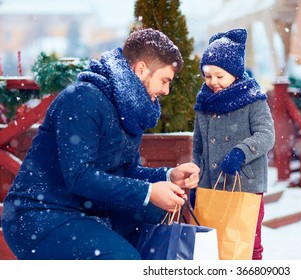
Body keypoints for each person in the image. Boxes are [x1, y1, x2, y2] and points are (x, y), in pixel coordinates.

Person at [1, 28, 200, 260]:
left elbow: (127, 171)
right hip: (40, 214)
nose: (166, 90)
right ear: (141, 69)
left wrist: (168, 176)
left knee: (152, 217)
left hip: (86, 208)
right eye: (164, 80)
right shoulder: (83, 99)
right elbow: (79, 177)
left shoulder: (130, 108)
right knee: (122, 260)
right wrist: (148, 191)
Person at [191, 28, 275, 260]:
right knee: (212, 247)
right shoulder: (204, 103)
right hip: (210, 183)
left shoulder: (253, 99)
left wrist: (241, 152)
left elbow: (267, 135)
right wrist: (194, 183)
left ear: (235, 73)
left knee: (247, 244)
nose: (213, 82)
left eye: (219, 76)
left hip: (245, 185)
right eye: (207, 76)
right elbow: (198, 147)